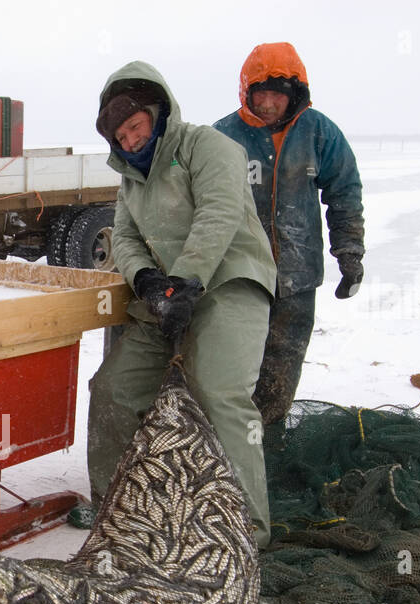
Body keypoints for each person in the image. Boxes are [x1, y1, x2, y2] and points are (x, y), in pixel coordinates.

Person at [79, 61, 277, 548]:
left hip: (229, 283)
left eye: (134, 127)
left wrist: (186, 282)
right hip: (165, 298)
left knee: (217, 390)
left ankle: (248, 530)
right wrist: (146, 279)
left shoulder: (208, 146)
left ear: (157, 111)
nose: (128, 140)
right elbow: (124, 237)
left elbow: (219, 212)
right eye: (119, 136)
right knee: (112, 389)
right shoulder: (131, 179)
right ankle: (115, 509)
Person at [213, 42, 365, 425]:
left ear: (293, 94)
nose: (267, 104)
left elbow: (344, 190)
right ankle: (229, 438)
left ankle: (269, 437)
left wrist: (349, 252)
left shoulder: (319, 133)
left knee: (282, 365)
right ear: (246, 92)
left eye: (276, 95)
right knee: (233, 364)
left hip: (298, 277)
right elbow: (199, 202)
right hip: (240, 277)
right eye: (259, 94)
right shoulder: (223, 136)